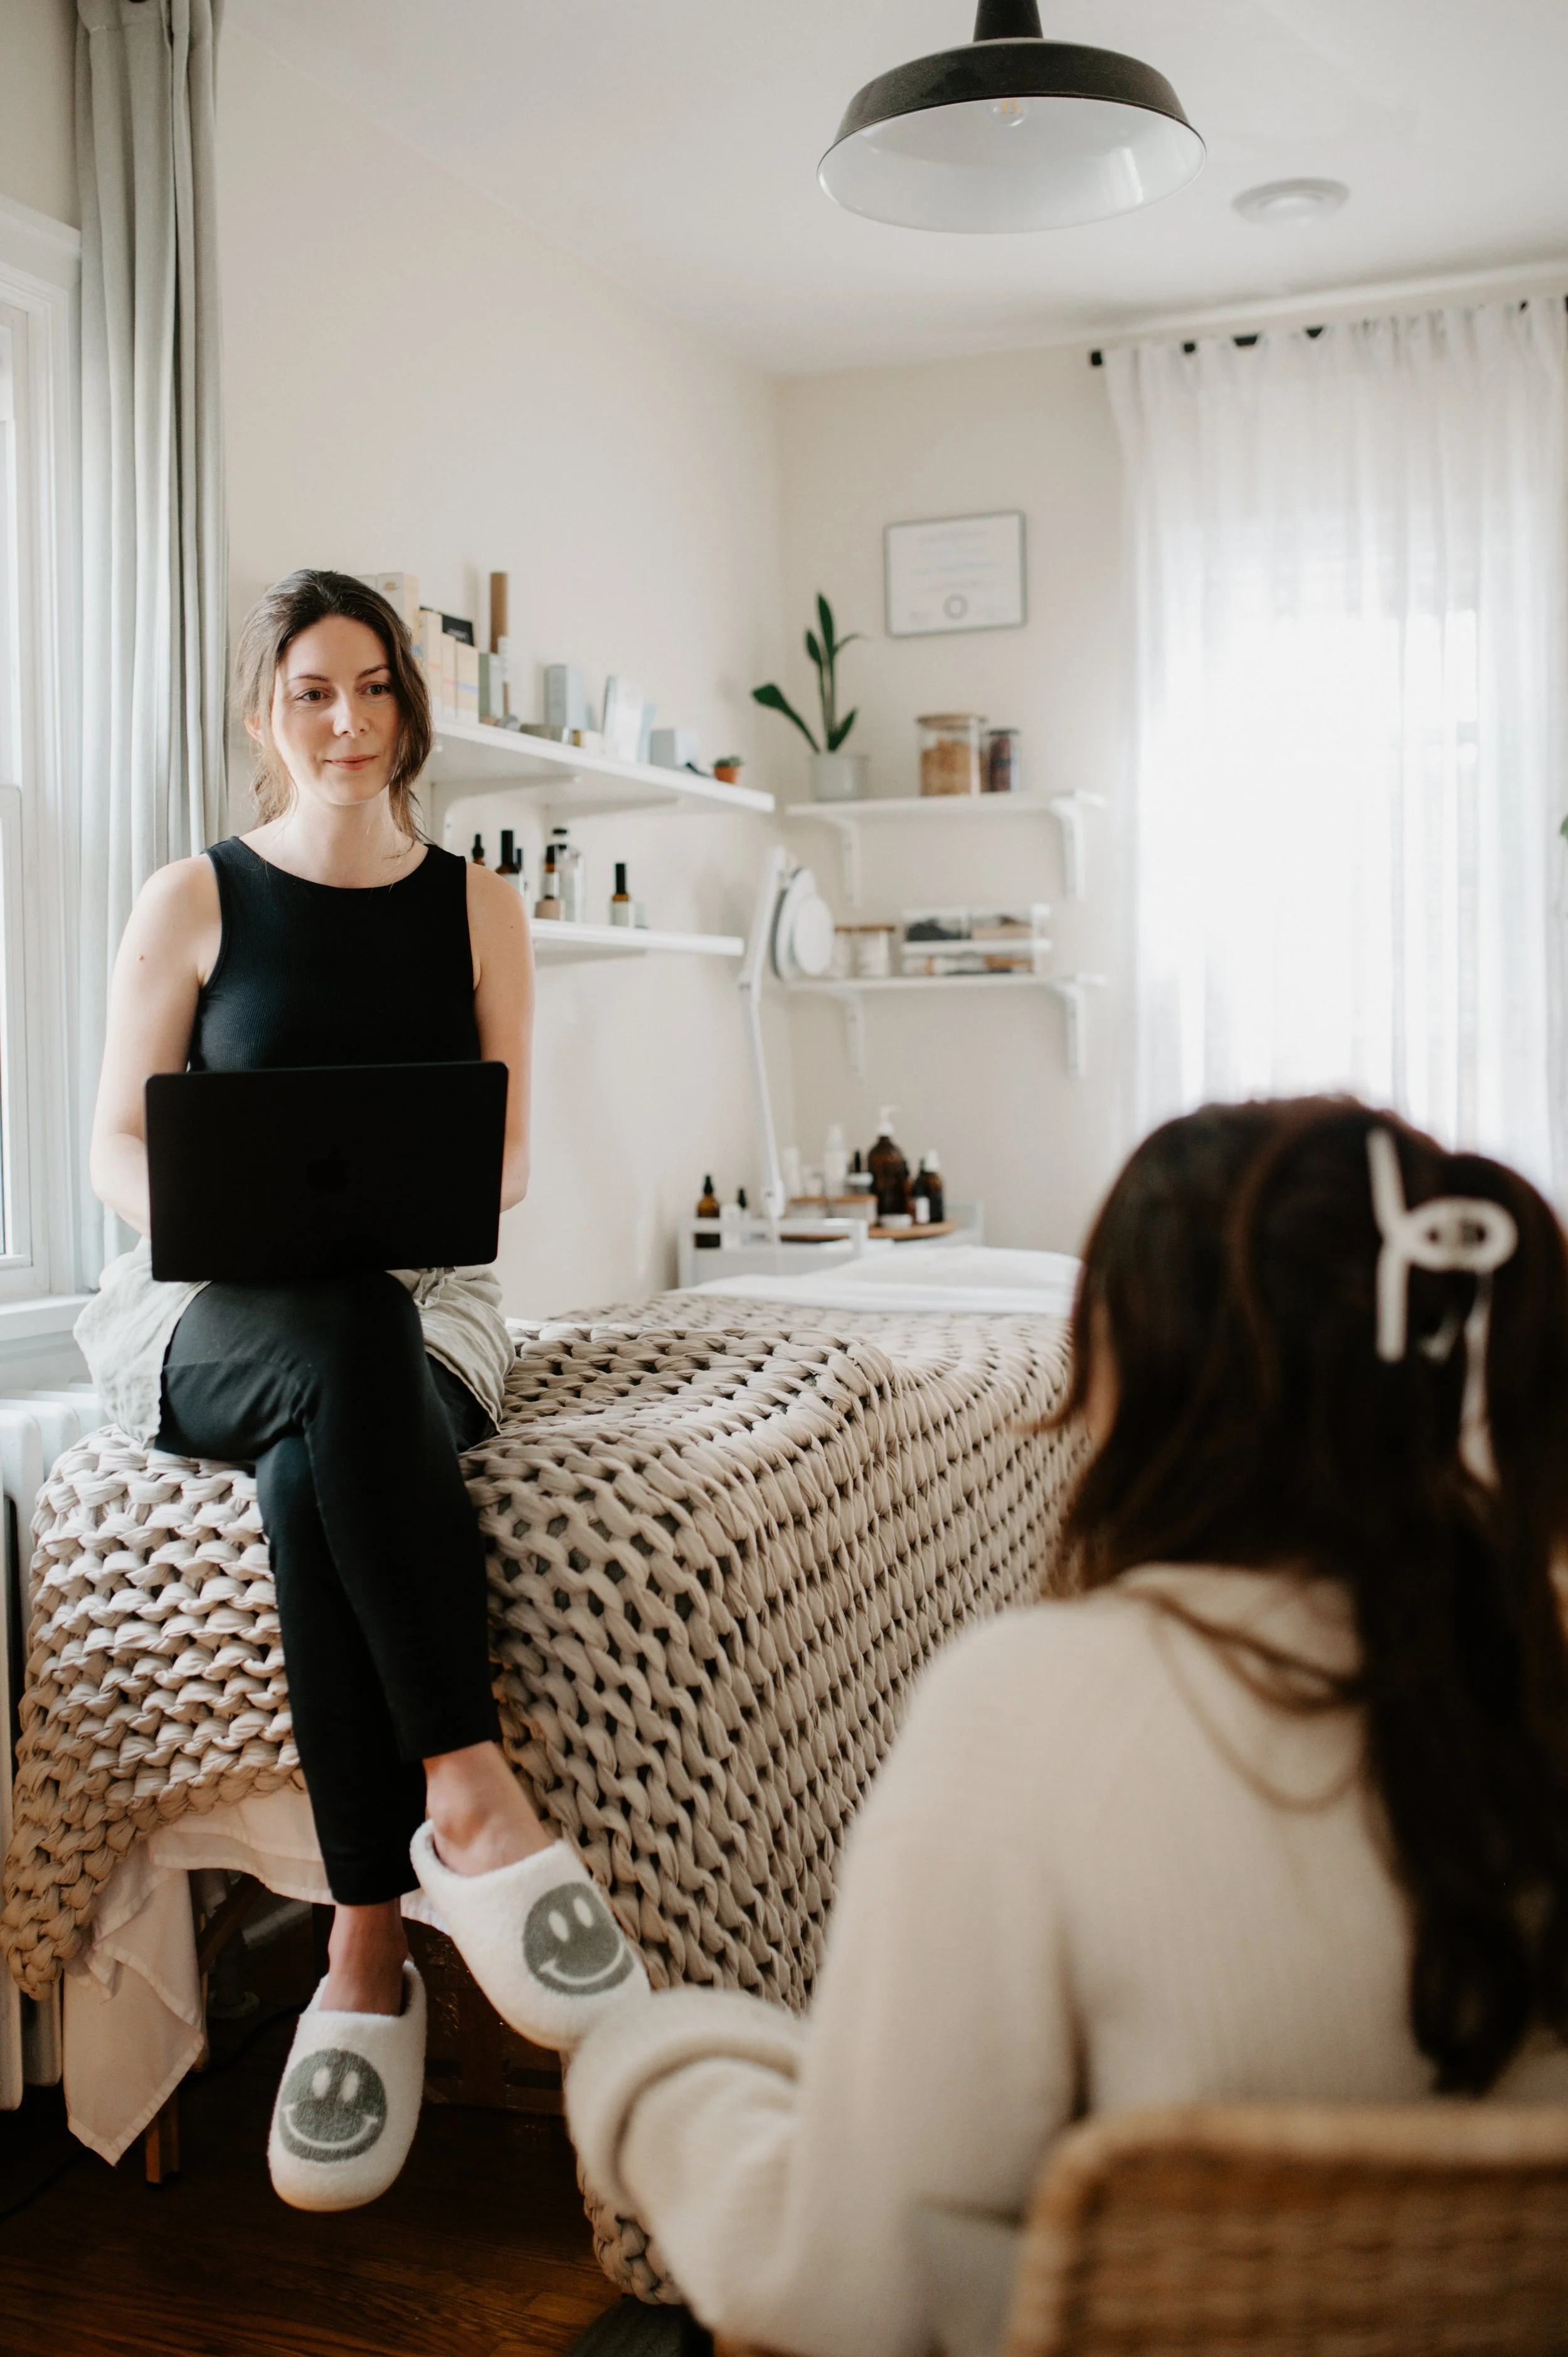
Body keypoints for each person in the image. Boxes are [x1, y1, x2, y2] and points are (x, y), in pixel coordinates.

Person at [557, 1097, 1568, 2357]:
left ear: (1142, 1368)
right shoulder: (1533, 1656)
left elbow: (853, 2288)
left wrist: (642, 2054)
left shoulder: (1030, 1705)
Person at [79, 570, 645, 2211]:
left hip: (418, 1304)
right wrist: (212, 1218)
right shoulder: (193, 895)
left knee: (318, 1428)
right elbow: (115, 1137)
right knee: (322, 1335)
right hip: (206, 1304)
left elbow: (506, 1147)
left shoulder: (478, 908)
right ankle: (465, 1788)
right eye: (312, 691)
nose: (348, 721)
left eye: (375, 686)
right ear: (266, 715)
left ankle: (364, 1943)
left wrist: (398, 1212)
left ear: (411, 704)